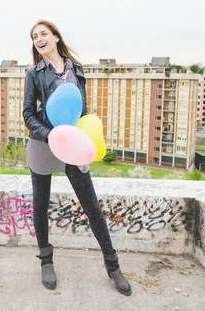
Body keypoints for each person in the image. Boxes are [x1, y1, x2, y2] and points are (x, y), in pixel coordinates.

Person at [23, 20, 132, 296]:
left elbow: (80, 108)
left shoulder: (77, 69)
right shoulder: (33, 73)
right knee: (40, 205)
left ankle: (113, 265)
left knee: (91, 205)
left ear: (56, 37)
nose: (39, 39)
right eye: (34, 36)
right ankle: (46, 261)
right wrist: (49, 134)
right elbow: (28, 114)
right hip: (44, 142)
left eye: (44, 34)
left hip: (72, 143)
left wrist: (83, 137)